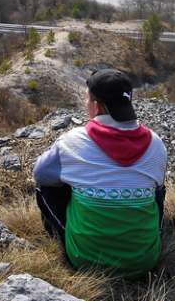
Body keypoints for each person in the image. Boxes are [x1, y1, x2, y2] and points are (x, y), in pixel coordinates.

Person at [33, 69, 167, 278]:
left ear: (96, 106)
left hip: (85, 260)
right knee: (157, 190)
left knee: (47, 186)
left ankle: (66, 235)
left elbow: (40, 174)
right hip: (145, 261)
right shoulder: (156, 145)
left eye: (87, 99)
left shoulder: (72, 141)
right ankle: (151, 238)